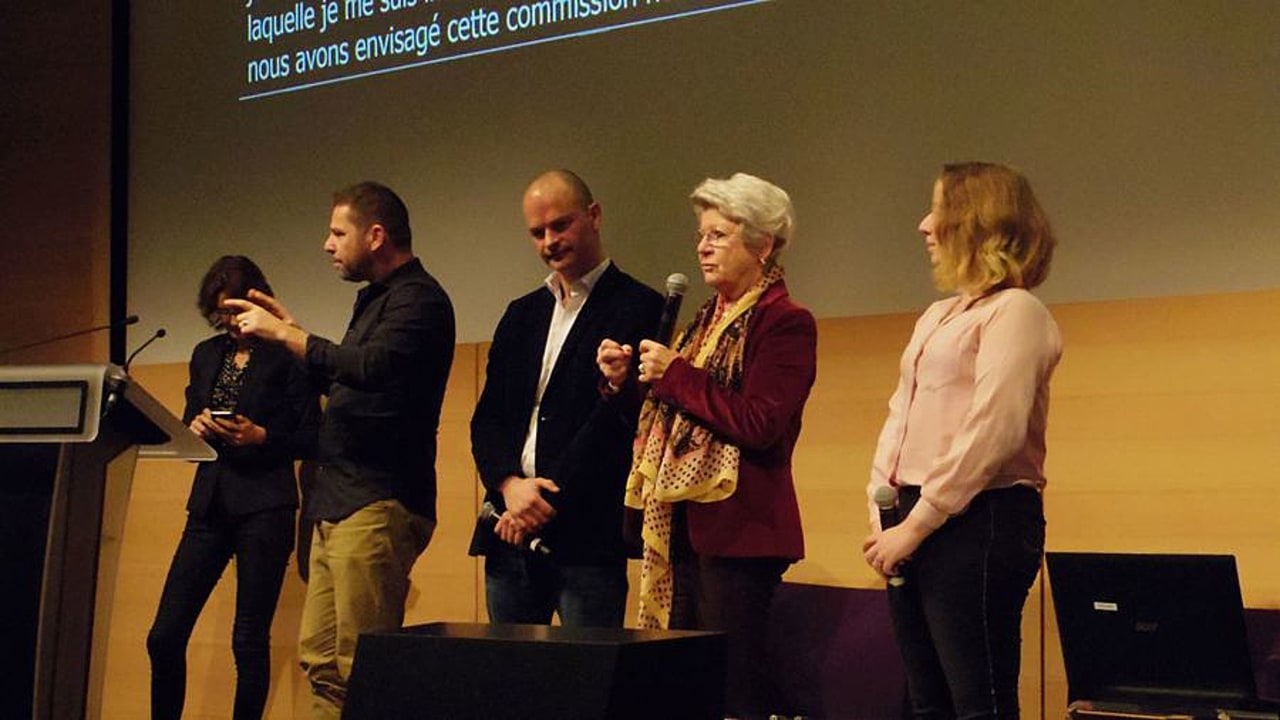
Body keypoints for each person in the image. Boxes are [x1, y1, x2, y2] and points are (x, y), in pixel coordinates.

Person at [224, 182, 456, 719]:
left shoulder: (419, 299)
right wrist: (295, 334)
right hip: (337, 500)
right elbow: (349, 384)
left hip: (377, 501)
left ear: (375, 236)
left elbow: (372, 368)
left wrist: (288, 336)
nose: (327, 245)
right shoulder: (374, 300)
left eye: (337, 232)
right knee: (322, 665)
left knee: (366, 668)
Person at [598, 172, 817, 718]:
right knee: (683, 685)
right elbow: (673, 423)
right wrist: (630, 384)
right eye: (701, 234)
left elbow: (760, 422)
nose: (702, 246)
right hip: (680, 527)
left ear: (763, 245)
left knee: (733, 688)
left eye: (719, 234)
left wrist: (676, 375)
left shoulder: (785, 322)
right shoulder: (704, 321)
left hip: (740, 534)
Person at [862, 162, 1061, 720]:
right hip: (914, 517)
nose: (926, 225)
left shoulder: (1017, 311)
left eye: (940, 211)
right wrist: (883, 509)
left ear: (978, 222)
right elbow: (900, 414)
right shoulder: (938, 315)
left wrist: (919, 522)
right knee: (928, 700)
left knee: (979, 701)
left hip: (981, 519)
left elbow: (993, 431)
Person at [469, 170, 663, 627]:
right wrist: (510, 487)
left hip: (586, 535)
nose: (549, 241)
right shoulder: (521, 314)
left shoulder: (638, 305)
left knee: (588, 682)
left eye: (560, 225)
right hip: (508, 528)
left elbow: (609, 424)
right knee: (509, 683)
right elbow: (488, 418)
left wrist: (543, 501)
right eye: (537, 233)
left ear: (594, 216)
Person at [147, 255, 318, 720]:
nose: (232, 323)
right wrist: (196, 424)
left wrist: (262, 436)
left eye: (237, 310)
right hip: (209, 504)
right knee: (163, 636)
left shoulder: (288, 353)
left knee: (247, 641)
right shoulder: (206, 354)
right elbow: (187, 416)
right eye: (222, 314)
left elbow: (313, 436)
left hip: (266, 504)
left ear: (257, 301)